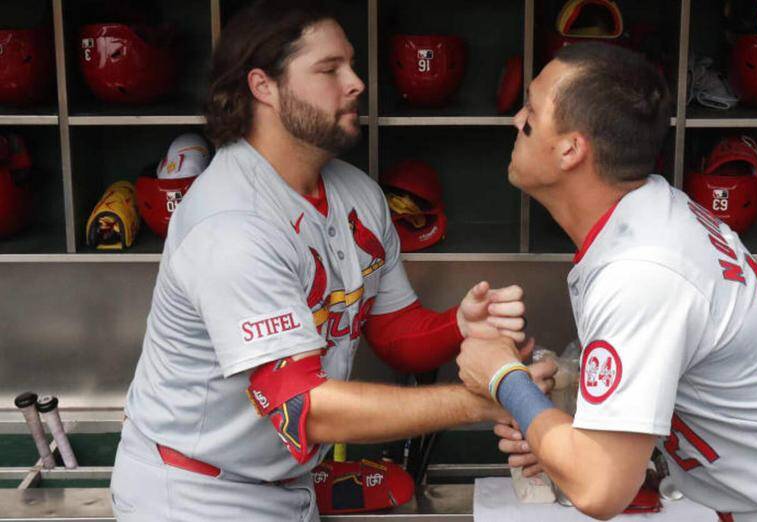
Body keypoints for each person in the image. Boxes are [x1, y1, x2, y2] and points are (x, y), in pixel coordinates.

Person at [109, 1, 552, 520]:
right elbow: (304, 409)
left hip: (288, 484)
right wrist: (482, 400)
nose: (357, 82)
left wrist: (458, 324)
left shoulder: (356, 195)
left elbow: (392, 333)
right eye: (329, 70)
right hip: (194, 495)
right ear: (263, 87)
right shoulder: (232, 223)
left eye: (352, 65)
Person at [456, 42, 757, 522]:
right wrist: (564, 429)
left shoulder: (640, 266)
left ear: (571, 149)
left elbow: (600, 488)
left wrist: (503, 379)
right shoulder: (649, 213)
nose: (517, 121)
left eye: (531, 114)